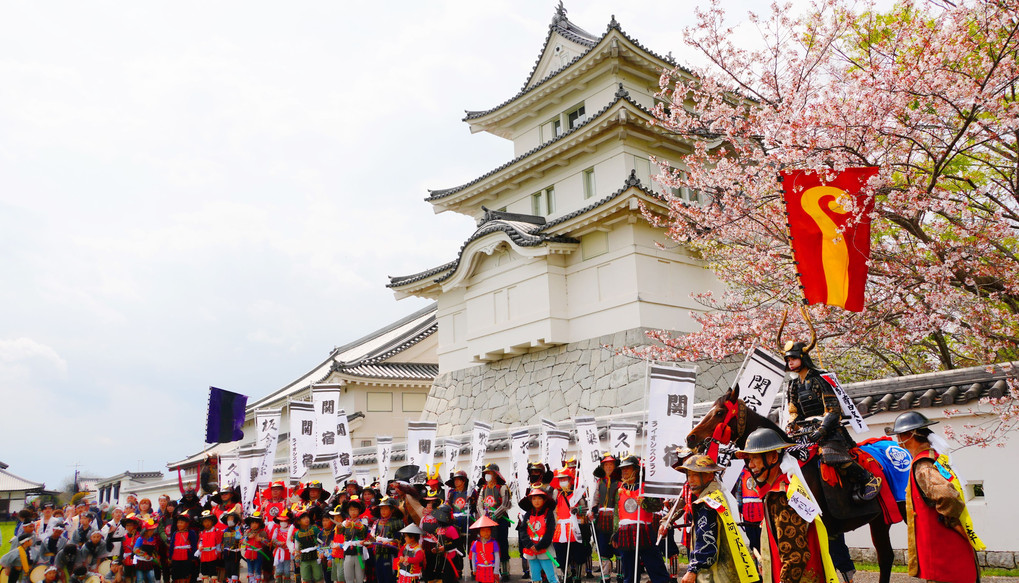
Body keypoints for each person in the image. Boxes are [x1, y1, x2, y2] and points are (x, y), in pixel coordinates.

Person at [885, 411, 981, 583]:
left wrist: (950, 520)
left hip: (941, 547)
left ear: (909, 435)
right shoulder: (933, 458)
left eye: (899, 435)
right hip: (944, 546)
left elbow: (947, 495)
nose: (898, 440)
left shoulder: (923, 466)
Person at [782, 340, 880, 502]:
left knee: (832, 457)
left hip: (829, 431)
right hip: (805, 432)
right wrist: (792, 424)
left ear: (803, 357)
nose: (790, 362)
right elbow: (794, 411)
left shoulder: (820, 379)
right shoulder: (793, 385)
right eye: (788, 360)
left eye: (793, 358)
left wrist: (821, 430)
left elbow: (834, 411)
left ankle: (867, 479)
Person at [735, 428, 835, 583]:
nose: (751, 465)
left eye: (755, 458)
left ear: (773, 457)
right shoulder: (784, 488)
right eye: (748, 459)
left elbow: (796, 557)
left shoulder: (783, 497)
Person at [675, 454, 758, 583]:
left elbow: (706, 540)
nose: (690, 480)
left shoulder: (706, 502)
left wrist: (693, 569)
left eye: (695, 474)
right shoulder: (717, 495)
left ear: (709, 475)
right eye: (689, 475)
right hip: (726, 570)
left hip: (713, 575)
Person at [552, 467, 587, 583]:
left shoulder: (577, 493)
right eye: (560, 479)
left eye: (564, 478)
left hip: (574, 526)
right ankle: (565, 573)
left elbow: (586, 508)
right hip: (560, 527)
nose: (562, 481)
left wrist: (578, 509)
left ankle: (578, 575)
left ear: (570, 479)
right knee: (560, 551)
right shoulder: (556, 493)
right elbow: (552, 509)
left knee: (578, 552)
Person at [476, 464, 511, 580]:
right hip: (487, 522)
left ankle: (505, 571)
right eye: (486, 473)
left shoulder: (502, 487)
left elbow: (505, 504)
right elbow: (479, 504)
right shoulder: (484, 488)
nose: (487, 475)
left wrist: (494, 514)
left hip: (500, 520)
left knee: (502, 544)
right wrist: (484, 516)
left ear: (495, 474)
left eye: (489, 473)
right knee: (490, 545)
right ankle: (492, 568)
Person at [590, 453, 620, 582]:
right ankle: (605, 576)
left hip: (616, 517)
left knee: (619, 546)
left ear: (615, 466)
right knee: (603, 547)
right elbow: (596, 498)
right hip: (602, 518)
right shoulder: (600, 482)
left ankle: (621, 575)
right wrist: (592, 510)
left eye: (610, 464)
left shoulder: (620, 482)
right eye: (606, 465)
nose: (608, 467)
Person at [520, 488, 557, 583]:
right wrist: (529, 545)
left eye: (539, 498)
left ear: (544, 500)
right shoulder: (528, 514)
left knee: (551, 576)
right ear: (531, 500)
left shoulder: (548, 514)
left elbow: (550, 532)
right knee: (535, 577)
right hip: (531, 550)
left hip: (545, 549)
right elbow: (523, 530)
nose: (536, 501)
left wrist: (540, 546)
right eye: (534, 499)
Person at [370, 497, 405, 583]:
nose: (383, 511)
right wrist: (371, 539)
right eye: (381, 508)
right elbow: (376, 536)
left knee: (389, 577)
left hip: (390, 555)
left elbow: (400, 540)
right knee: (380, 577)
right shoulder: (378, 522)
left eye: (385, 508)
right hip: (378, 554)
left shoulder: (398, 522)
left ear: (392, 509)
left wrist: (390, 542)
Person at [733, 467, 763, 556]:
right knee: (753, 542)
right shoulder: (742, 472)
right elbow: (738, 491)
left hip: (762, 511)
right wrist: (739, 507)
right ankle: (758, 565)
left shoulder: (764, 470)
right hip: (747, 512)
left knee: (764, 541)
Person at [339, 497, 370, 583]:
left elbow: (364, 530)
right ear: (348, 511)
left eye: (355, 509)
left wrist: (352, 524)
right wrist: (339, 526)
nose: (353, 512)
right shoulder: (345, 522)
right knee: (348, 577)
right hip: (348, 551)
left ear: (359, 510)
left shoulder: (363, 521)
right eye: (351, 510)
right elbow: (340, 532)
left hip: (359, 551)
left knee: (360, 577)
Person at [292, 511, 323, 583]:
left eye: (307, 517)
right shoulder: (297, 534)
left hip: (316, 556)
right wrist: (296, 559)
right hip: (304, 558)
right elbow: (297, 548)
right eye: (303, 518)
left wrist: (323, 552)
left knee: (318, 577)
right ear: (298, 521)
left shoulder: (315, 529)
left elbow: (321, 542)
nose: (306, 519)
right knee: (305, 578)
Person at [468, 517, 500, 583]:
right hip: (480, 569)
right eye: (483, 530)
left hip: (491, 568)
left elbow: (497, 556)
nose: (486, 532)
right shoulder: (476, 543)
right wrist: (474, 569)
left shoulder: (494, 542)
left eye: (488, 530)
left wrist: (496, 570)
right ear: (479, 532)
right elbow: (473, 557)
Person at [169, 515, 198, 583]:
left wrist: (194, 557)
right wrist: (170, 557)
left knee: (186, 573)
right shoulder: (175, 533)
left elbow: (194, 545)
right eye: (178, 523)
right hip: (176, 557)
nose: (179, 524)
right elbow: (172, 546)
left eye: (181, 523)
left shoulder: (191, 533)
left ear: (187, 524)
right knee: (176, 574)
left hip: (187, 557)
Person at [243, 513, 270, 583]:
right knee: (250, 568)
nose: (254, 525)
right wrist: (248, 537)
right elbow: (242, 541)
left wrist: (261, 539)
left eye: (256, 523)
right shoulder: (247, 532)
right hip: (249, 554)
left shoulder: (262, 532)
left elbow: (267, 543)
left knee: (258, 568)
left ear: (259, 524)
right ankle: (251, 580)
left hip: (258, 554)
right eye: (252, 523)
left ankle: (257, 580)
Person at [198, 511, 224, 583]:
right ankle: (205, 580)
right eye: (205, 521)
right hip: (204, 554)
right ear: (202, 523)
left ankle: (214, 580)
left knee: (213, 569)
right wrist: (199, 548)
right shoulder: (202, 532)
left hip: (213, 553)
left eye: (208, 521)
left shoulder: (216, 531)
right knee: (204, 570)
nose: (207, 523)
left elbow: (218, 542)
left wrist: (218, 551)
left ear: (212, 522)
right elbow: (200, 541)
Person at [220, 511, 243, 583]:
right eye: (228, 519)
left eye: (231, 518)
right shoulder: (225, 530)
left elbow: (241, 539)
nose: (229, 520)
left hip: (235, 552)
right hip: (227, 552)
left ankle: (234, 580)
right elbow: (223, 541)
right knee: (227, 567)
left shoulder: (238, 529)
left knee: (234, 567)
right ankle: (229, 580)